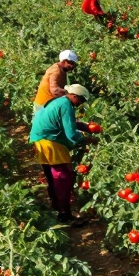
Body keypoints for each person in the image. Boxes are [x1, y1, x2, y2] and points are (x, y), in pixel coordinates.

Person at [29, 84, 93, 223]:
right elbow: (71, 134)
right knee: (63, 177)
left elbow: (70, 122)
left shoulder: (59, 101)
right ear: (74, 96)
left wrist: (87, 127)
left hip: (39, 140)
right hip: (50, 142)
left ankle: (57, 208)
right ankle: (65, 214)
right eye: (81, 100)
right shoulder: (66, 105)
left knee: (52, 177)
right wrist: (87, 139)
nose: (80, 104)